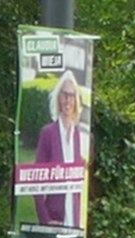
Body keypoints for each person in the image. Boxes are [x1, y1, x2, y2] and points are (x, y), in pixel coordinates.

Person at [33, 71, 87, 228]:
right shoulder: (48, 133)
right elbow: (36, 180)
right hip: (54, 217)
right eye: (65, 95)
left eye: (72, 95)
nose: (68, 100)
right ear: (58, 97)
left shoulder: (79, 134)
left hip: (73, 220)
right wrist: (45, 219)